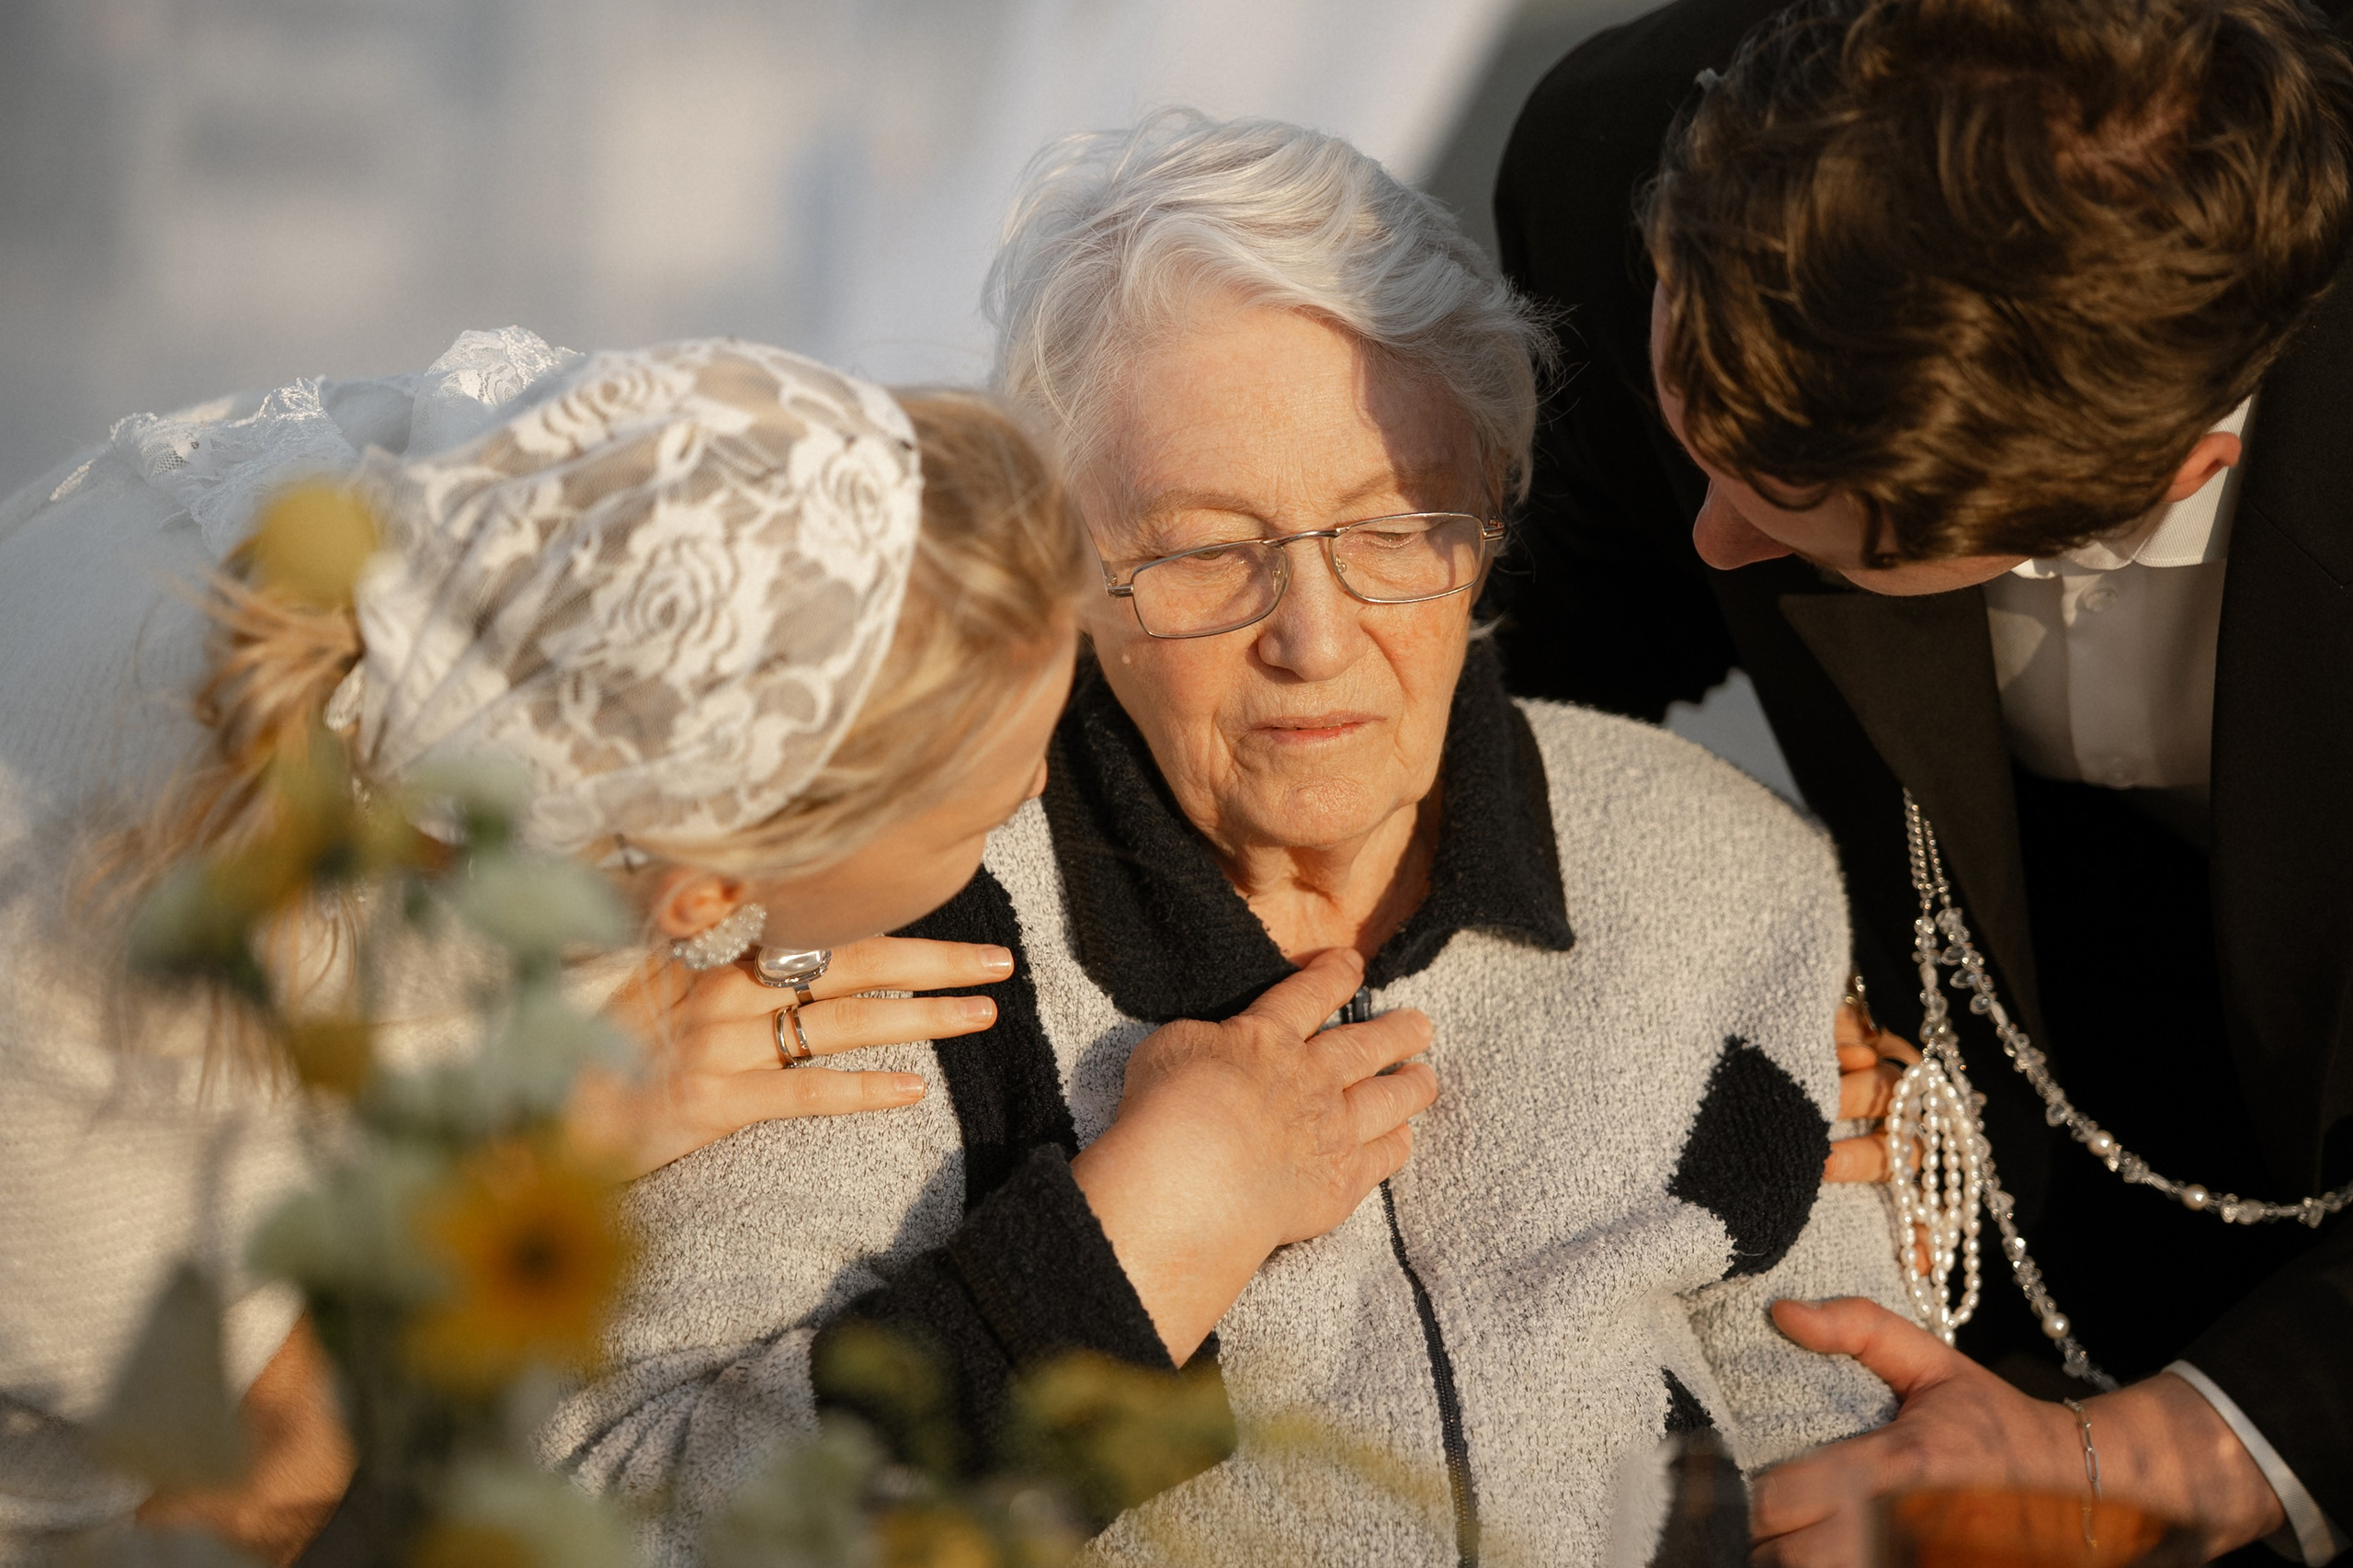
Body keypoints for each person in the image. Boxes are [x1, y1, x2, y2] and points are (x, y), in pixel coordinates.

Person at [547, 111, 1907, 1568]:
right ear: (1072, 575)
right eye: (1204, 548)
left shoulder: (1719, 867)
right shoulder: (862, 915)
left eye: (1392, 528)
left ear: (1490, 514)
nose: (1313, 639)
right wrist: (1144, 1236)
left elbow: (1827, 1425)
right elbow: (625, 1511)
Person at [1488, 0, 2353, 1562]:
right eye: (1702, 441)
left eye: (1799, 519)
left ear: (2172, 470)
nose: (1718, 543)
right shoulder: (1617, 154)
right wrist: (1735, 955)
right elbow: (1546, 655)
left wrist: (2142, 1460)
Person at [0, 329, 1090, 1563]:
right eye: (983, 809)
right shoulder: (122, 1022)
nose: (1041, 789)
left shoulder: (559, 498)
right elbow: (242, 1496)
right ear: (706, 893)